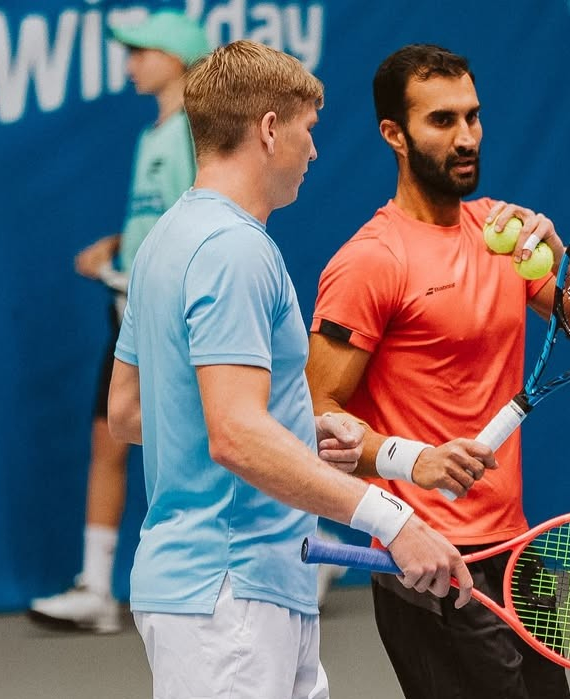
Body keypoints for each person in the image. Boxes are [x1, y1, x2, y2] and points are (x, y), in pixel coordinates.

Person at [106, 40, 475, 699]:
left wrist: (295, 430)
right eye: (309, 129)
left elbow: (132, 414)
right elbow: (234, 435)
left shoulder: (164, 239)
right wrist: (394, 520)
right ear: (269, 129)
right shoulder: (236, 251)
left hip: (233, 591)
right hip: (231, 598)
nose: (314, 151)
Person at [306, 44, 570, 699]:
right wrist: (413, 461)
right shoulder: (371, 261)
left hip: (513, 549)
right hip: (427, 560)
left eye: (472, 116)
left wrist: (560, 256)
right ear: (394, 135)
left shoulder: (503, 235)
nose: (466, 137)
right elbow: (316, 421)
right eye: (442, 121)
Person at [28, 10, 208, 633]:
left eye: (141, 52)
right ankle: (98, 589)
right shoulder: (152, 135)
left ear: (176, 58)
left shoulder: (193, 133)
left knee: (221, 440)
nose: (130, 63)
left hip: (172, 317)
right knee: (108, 438)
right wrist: (118, 247)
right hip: (130, 311)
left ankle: (307, 544)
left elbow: (199, 218)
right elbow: (157, 218)